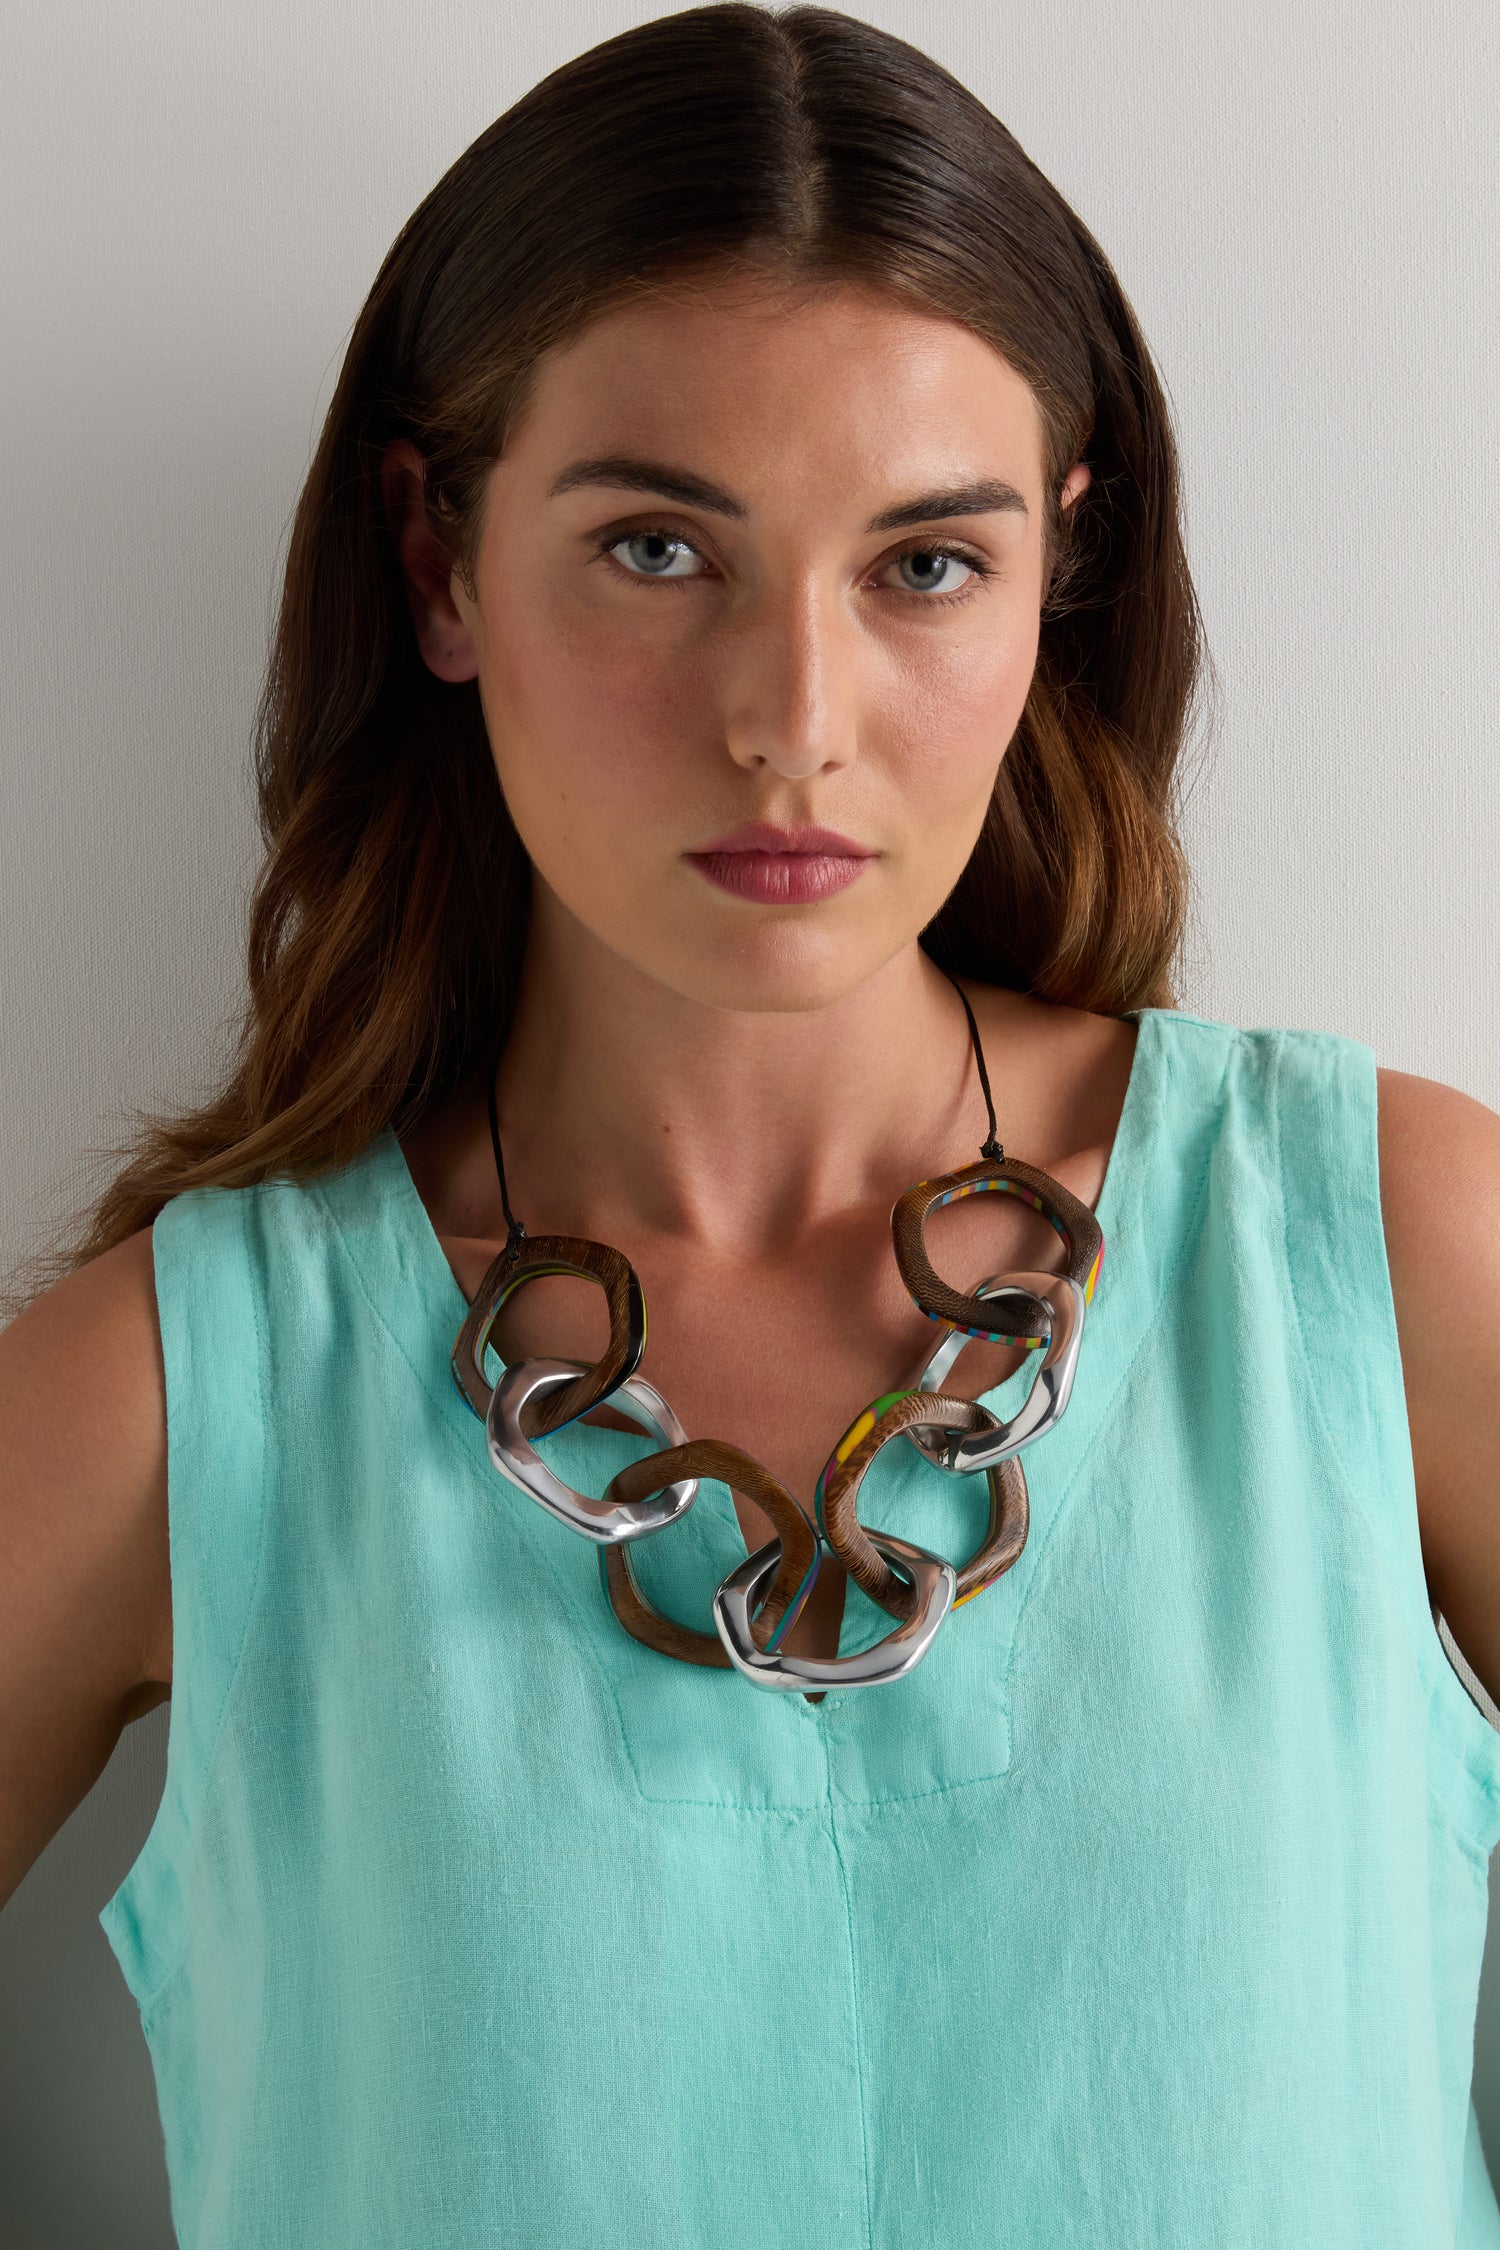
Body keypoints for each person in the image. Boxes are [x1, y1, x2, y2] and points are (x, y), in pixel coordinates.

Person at [4, 3, 1499, 2241]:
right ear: (439, 563)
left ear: (1055, 579)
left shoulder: (1391, 1259)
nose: (790, 721)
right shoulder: (166, 1396)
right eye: (656, 551)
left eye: (923, 564)